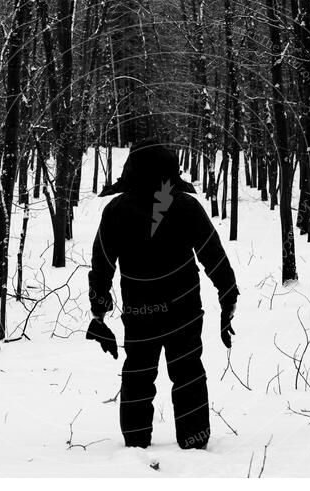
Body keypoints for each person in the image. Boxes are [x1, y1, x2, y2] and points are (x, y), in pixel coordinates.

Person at [87, 139, 238, 450]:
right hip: (183, 310)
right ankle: (194, 442)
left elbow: (101, 265)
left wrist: (99, 311)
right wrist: (228, 296)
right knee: (187, 372)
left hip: (141, 313)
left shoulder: (116, 210)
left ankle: (136, 444)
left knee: (138, 375)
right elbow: (214, 255)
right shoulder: (185, 205)